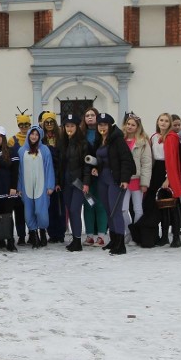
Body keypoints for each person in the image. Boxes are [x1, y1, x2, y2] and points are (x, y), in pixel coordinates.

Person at [90, 113, 135, 256]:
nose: (102, 127)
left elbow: (126, 160)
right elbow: (102, 159)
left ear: (110, 126)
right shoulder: (100, 140)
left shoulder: (117, 140)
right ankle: (114, 240)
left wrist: (125, 179)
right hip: (102, 179)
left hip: (115, 180)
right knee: (108, 210)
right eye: (100, 124)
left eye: (104, 124)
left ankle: (121, 244)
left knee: (116, 211)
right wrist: (96, 167)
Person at [148, 112, 181, 247]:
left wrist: (168, 177)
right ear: (157, 122)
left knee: (173, 205)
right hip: (156, 170)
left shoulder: (172, 137)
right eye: (161, 120)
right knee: (160, 205)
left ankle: (175, 236)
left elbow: (173, 157)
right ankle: (163, 236)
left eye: (166, 121)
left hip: (168, 170)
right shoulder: (153, 137)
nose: (163, 123)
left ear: (169, 124)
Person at [17, 125, 54, 249]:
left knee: (40, 211)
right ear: (28, 135)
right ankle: (34, 235)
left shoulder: (45, 150)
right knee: (28, 213)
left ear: (40, 136)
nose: (34, 136)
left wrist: (50, 185)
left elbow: (49, 168)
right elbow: (19, 171)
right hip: (26, 186)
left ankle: (43, 231)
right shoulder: (22, 151)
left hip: (42, 186)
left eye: (36, 134)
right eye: (32, 134)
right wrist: (19, 187)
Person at [58, 114, 90, 252]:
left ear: (77, 127)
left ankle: (78, 241)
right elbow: (61, 165)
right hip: (66, 182)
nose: (69, 128)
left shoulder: (83, 144)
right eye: (67, 126)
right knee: (69, 211)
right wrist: (59, 182)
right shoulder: (63, 143)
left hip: (78, 182)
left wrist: (86, 182)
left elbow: (87, 165)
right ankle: (75, 238)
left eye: (72, 126)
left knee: (75, 210)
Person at [121, 114, 152, 243]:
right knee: (123, 209)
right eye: (128, 124)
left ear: (138, 127)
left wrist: (145, 182)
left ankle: (137, 234)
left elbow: (146, 163)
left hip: (137, 179)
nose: (130, 126)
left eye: (133, 125)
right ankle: (128, 231)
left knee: (138, 209)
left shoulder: (142, 142)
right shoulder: (120, 139)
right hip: (123, 179)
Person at [80, 108, 107, 247]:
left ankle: (101, 236)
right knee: (88, 204)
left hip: (100, 174)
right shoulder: (80, 134)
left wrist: (99, 166)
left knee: (100, 205)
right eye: (87, 115)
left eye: (92, 115)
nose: (90, 117)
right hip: (85, 177)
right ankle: (89, 235)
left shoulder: (104, 133)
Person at [0, 126, 19, 252]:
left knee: (7, 215)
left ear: (4, 137)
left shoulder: (11, 151)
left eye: (0, 136)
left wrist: (13, 187)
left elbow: (15, 171)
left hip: (7, 188)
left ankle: (10, 240)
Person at [8, 112, 32, 246]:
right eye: (21, 124)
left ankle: (33, 233)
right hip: (18, 177)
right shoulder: (12, 140)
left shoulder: (33, 138)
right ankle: (21, 235)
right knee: (19, 209)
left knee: (31, 209)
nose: (24, 127)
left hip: (31, 177)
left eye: (26, 124)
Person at [40, 111, 65, 244]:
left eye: (51, 122)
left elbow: (62, 161)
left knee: (59, 207)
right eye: (46, 122)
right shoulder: (41, 139)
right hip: (45, 176)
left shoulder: (60, 138)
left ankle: (60, 233)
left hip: (58, 175)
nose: (49, 125)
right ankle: (51, 232)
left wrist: (59, 181)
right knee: (48, 207)